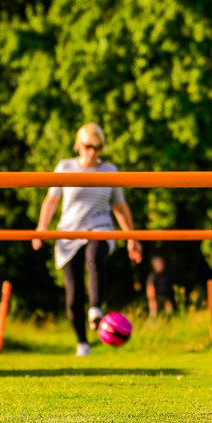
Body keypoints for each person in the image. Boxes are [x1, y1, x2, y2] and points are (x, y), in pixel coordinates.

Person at [33, 123, 142, 356]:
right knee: (73, 295)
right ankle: (82, 341)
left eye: (98, 147)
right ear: (78, 145)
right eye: (88, 146)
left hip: (99, 227)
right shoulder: (64, 167)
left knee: (94, 257)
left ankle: (95, 308)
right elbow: (51, 200)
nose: (92, 151)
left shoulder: (110, 170)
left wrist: (132, 238)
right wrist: (42, 229)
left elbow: (120, 207)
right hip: (69, 233)